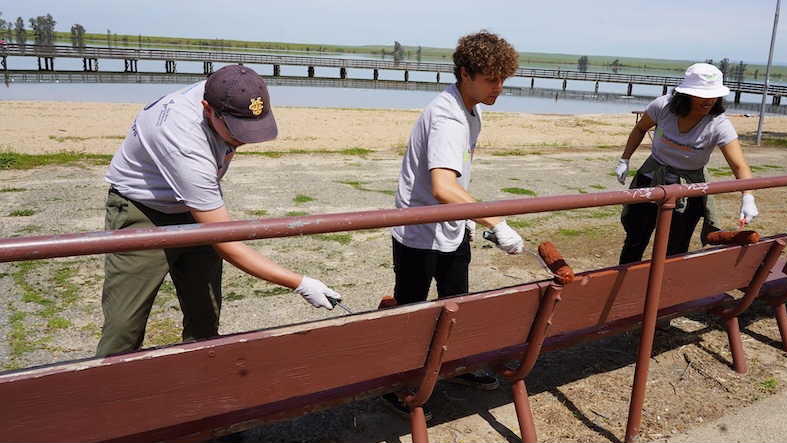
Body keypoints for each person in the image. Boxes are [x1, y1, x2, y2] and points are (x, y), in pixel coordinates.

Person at [97, 64, 341, 357]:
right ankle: (103, 396)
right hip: (145, 211)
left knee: (205, 319)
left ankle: (198, 390)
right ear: (207, 108)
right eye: (238, 132)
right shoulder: (183, 140)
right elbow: (228, 245)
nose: (244, 139)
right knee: (124, 328)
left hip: (195, 206)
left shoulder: (229, 90)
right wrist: (300, 283)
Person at [380, 30, 525, 421]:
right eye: (491, 79)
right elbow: (444, 186)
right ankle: (399, 384)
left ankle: (455, 367)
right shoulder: (447, 117)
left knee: (456, 300)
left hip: (452, 227)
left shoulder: (469, 109)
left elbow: (454, 184)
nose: (499, 87)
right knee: (412, 309)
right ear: (465, 73)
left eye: (503, 79)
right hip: (419, 230)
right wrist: (496, 222)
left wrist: (472, 220)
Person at [614, 62, 759, 265]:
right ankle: (624, 286)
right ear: (686, 93)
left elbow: (739, 165)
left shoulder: (718, 124)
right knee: (636, 238)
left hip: (688, 184)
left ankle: (665, 289)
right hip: (652, 176)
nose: (709, 100)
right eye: (702, 94)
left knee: (676, 246)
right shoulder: (662, 106)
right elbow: (640, 128)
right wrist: (625, 159)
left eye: (714, 94)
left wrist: (748, 196)